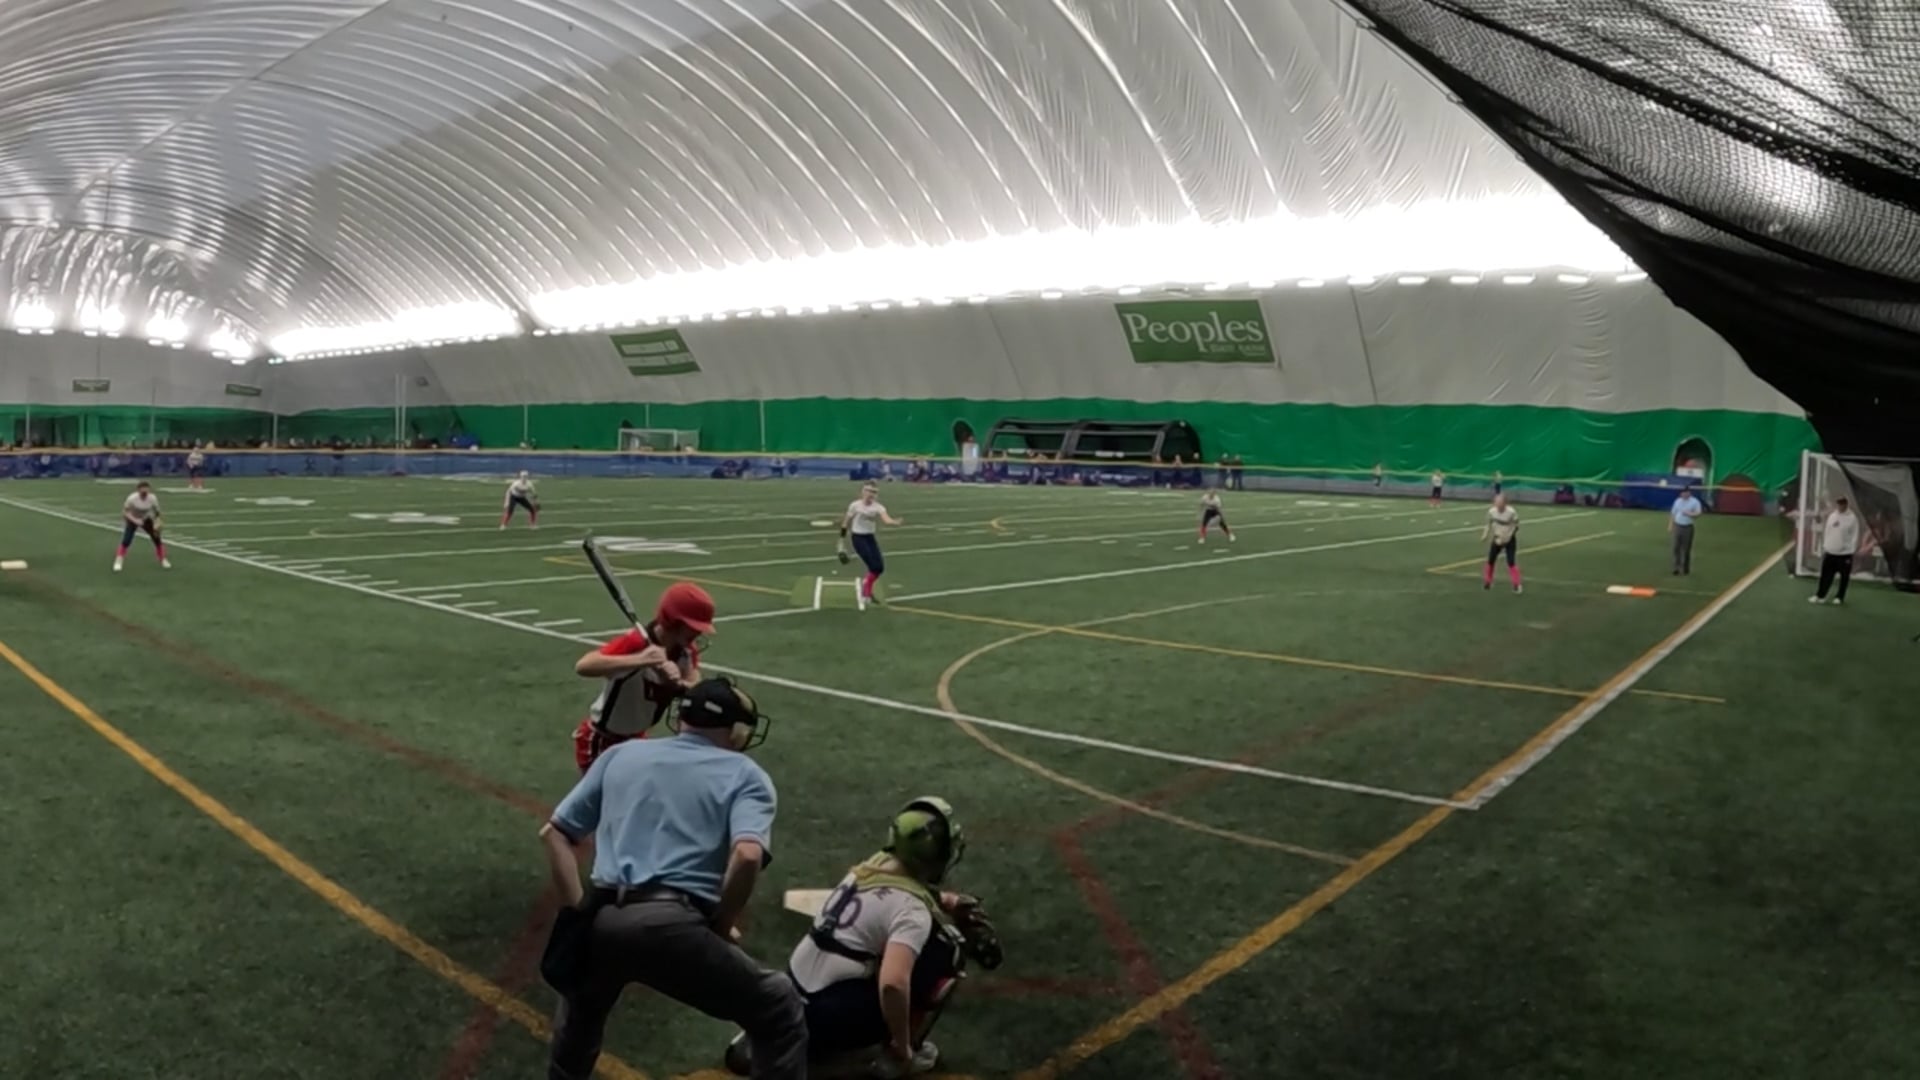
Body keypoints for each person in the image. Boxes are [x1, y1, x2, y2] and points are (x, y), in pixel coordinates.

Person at [540, 677, 805, 1080]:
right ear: (735, 730)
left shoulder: (621, 754)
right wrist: (722, 922)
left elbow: (554, 834)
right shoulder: (745, 774)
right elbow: (748, 856)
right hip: (668, 926)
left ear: (680, 719)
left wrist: (578, 912)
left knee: (580, 1021)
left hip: (602, 914)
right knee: (778, 1004)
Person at [722, 798, 1002, 1079]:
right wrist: (903, 1045)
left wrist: (949, 901)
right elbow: (892, 984)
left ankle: (775, 1035)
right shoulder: (911, 911)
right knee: (946, 950)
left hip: (790, 995)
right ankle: (880, 1057)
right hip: (823, 1015)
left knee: (860, 952)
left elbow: (898, 892)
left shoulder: (874, 866)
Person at [571, 582, 714, 772]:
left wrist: (676, 683)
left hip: (637, 739)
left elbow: (694, 685)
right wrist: (641, 659)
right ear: (674, 622)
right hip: (603, 739)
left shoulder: (686, 651)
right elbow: (584, 666)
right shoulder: (636, 642)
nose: (699, 632)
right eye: (693, 627)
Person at [839, 484, 902, 612]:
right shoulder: (855, 505)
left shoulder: (878, 507)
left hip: (869, 538)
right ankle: (866, 592)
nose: (871, 494)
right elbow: (846, 521)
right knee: (873, 565)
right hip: (858, 537)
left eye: (874, 492)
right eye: (869, 491)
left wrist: (893, 522)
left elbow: (886, 519)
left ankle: (866, 585)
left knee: (879, 567)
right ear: (863, 492)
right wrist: (841, 539)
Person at [1812, 496, 1862, 605]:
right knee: (1825, 576)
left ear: (1846, 505)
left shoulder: (1852, 518)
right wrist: (1826, 546)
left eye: (1842, 504)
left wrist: (1851, 550)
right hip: (1830, 552)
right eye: (1838, 504)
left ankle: (1839, 597)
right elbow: (1827, 531)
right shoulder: (1832, 516)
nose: (1840, 506)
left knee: (1844, 577)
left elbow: (1855, 535)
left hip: (1845, 554)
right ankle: (1820, 595)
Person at [115, 480, 170, 572]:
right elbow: (125, 512)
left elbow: (157, 512)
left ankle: (163, 559)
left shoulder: (152, 498)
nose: (145, 492)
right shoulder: (132, 498)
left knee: (157, 539)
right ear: (138, 490)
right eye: (143, 490)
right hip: (133, 518)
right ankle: (119, 559)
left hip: (146, 519)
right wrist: (135, 520)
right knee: (127, 540)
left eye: (146, 489)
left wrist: (157, 521)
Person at [1483, 493, 1522, 593]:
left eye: (1500, 502)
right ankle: (1488, 581)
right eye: (1496, 502)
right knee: (1491, 560)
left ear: (1505, 503)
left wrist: (1509, 536)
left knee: (1511, 561)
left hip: (1509, 539)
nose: (1498, 504)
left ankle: (1516, 584)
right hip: (1497, 538)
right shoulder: (1492, 511)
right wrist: (1485, 534)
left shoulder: (1511, 512)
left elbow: (1517, 525)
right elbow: (1488, 523)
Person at [1669, 484, 1704, 576]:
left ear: (1689, 493)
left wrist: (1690, 514)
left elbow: (1698, 513)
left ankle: (1685, 568)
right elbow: (1673, 513)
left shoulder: (1695, 502)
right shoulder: (1677, 501)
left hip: (1688, 527)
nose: (1684, 494)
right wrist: (1671, 525)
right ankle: (1676, 567)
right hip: (1678, 526)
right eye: (1682, 493)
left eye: (1686, 492)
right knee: (1676, 547)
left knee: (1686, 549)